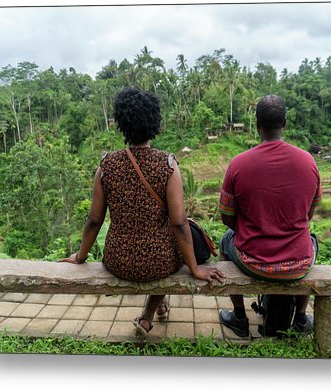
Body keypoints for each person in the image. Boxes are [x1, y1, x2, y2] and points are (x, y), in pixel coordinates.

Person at [59, 87, 225, 338]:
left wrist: (81, 256)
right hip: (159, 262)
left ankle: (156, 308)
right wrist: (195, 269)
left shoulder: (106, 165)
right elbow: (179, 223)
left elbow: (95, 220)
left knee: (162, 246)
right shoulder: (167, 164)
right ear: (154, 122)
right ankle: (153, 308)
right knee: (169, 245)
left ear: (122, 124)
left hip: (118, 261)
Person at [217, 95, 322, 338]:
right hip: (298, 263)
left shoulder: (238, 164)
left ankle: (240, 317)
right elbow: (309, 214)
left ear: (257, 125)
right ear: (284, 123)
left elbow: (227, 217)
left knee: (225, 241)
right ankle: (300, 319)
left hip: (253, 260)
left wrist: (247, 228)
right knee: (311, 239)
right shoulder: (308, 161)